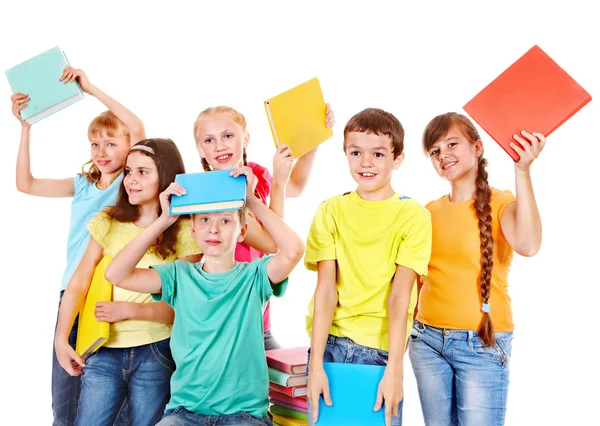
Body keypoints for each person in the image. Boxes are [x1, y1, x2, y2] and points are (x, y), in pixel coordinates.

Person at [104, 164, 305, 425]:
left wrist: (251, 201)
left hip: (243, 416)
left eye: (225, 220)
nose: (214, 229)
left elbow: (293, 250)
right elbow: (117, 274)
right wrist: (164, 220)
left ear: (241, 231)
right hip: (185, 414)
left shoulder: (255, 276)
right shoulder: (179, 275)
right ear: (193, 230)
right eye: (205, 221)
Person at [12, 66, 145, 426]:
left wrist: (90, 88)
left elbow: (137, 127)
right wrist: (26, 128)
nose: (102, 152)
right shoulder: (83, 184)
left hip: (109, 295)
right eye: (95, 144)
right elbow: (25, 184)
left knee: (110, 403)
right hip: (73, 290)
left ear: (130, 149)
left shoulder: (129, 184)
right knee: (65, 398)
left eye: (112, 143)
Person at [409, 112, 545, 426]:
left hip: (482, 343)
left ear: (477, 147)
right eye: (435, 151)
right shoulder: (427, 211)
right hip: (427, 343)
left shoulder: (502, 203)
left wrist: (521, 169)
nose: (443, 155)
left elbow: (529, 245)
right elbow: (415, 281)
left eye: (451, 143)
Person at [54, 138, 201, 426]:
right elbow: (78, 282)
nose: (131, 180)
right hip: (103, 349)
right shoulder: (107, 222)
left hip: (157, 351)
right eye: (129, 171)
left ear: (166, 177)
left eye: (143, 172)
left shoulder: (186, 231)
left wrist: (129, 311)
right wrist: (61, 338)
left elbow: (182, 308)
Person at [304, 108, 432, 426]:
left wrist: (395, 369)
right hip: (330, 345)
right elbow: (325, 291)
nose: (366, 163)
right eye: (356, 152)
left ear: (397, 158)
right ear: (346, 154)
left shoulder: (414, 216)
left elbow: (401, 297)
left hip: (381, 353)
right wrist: (316, 364)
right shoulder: (330, 211)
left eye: (378, 153)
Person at [193, 104, 334, 350]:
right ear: (200, 149)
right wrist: (278, 183)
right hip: (224, 323)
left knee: (285, 382)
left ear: (245, 138)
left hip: (259, 318)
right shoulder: (209, 193)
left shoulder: (254, 175)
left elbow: (296, 185)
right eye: (209, 140)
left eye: (228, 135)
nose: (220, 145)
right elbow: (272, 242)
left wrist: (315, 136)